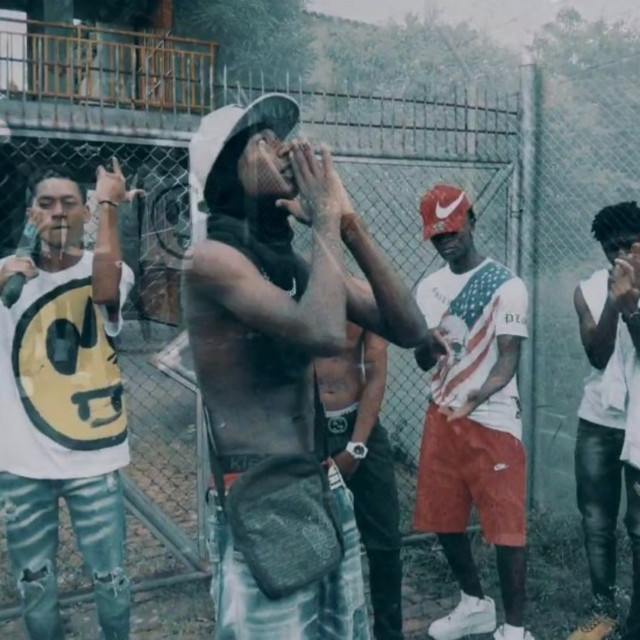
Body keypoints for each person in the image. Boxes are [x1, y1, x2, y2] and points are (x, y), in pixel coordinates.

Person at [183, 93, 427, 639]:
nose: (287, 149)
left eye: (281, 137)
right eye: (264, 141)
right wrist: (324, 220)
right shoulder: (211, 260)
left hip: (316, 482)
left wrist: (348, 223)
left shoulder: (287, 259)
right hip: (259, 494)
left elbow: (410, 328)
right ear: (227, 170)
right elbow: (323, 333)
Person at [0, 161, 139, 640]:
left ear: (86, 214)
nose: (58, 212)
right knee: (34, 585)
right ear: (30, 216)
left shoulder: (108, 265)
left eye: (69, 203)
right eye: (46, 204)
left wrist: (110, 204)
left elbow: (104, 289)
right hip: (21, 461)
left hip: (93, 457)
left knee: (111, 580)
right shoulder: (6, 274)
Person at [412, 184, 534, 640]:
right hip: (443, 413)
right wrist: (427, 344)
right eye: (437, 235)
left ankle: (515, 629)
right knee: (443, 518)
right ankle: (474, 604)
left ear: (472, 222)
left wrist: (477, 397)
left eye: (453, 231)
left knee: (506, 528)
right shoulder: (428, 288)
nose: (446, 241)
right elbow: (423, 360)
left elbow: (508, 359)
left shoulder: (507, 285)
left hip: (492, 416)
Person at [568, 201, 640, 640]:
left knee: (639, 527)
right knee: (596, 521)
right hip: (599, 418)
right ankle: (603, 612)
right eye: (610, 247)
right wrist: (615, 301)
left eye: (628, 244)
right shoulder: (588, 289)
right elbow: (598, 355)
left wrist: (633, 306)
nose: (619, 254)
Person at [315, 323, 403, 640]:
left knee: (385, 542)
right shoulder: (291, 298)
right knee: (314, 543)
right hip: (309, 427)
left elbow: (376, 371)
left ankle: (389, 635)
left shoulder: (363, 301)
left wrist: (356, 447)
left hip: (361, 424)